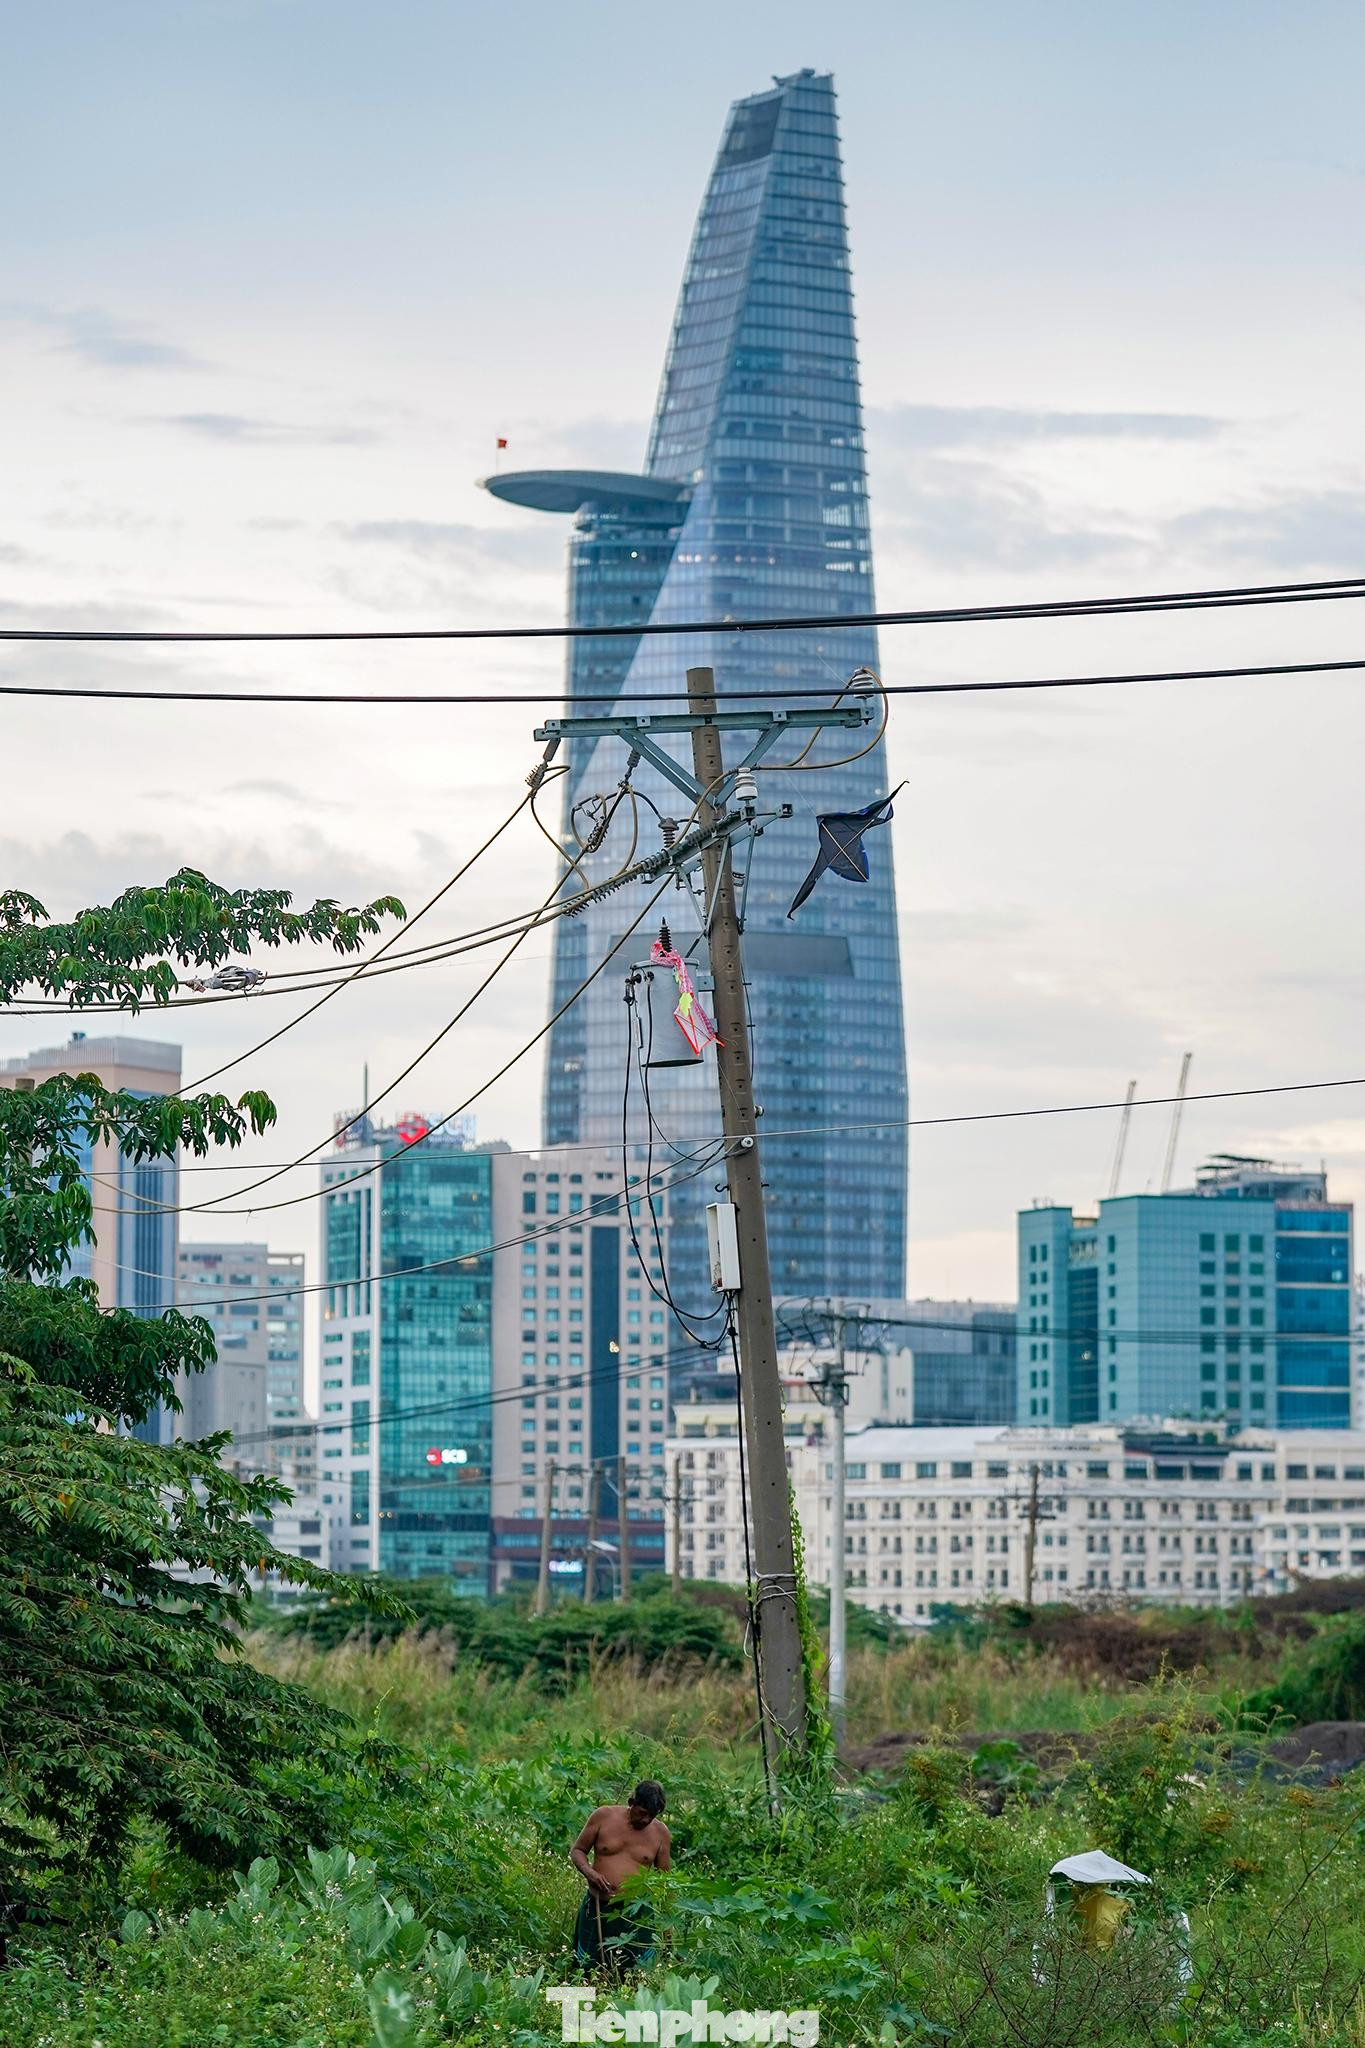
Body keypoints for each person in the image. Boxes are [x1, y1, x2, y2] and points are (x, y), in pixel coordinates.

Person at [569, 1781, 670, 1972]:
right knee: (587, 1969)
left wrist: (667, 1930)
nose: (646, 1820)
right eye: (642, 1813)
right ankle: (585, 2001)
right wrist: (590, 1873)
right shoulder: (603, 1817)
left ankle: (630, 2001)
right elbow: (577, 1851)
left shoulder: (661, 1833)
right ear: (631, 1802)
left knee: (636, 1973)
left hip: (637, 1915)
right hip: (599, 1907)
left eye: (652, 1815)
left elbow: (664, 1882)